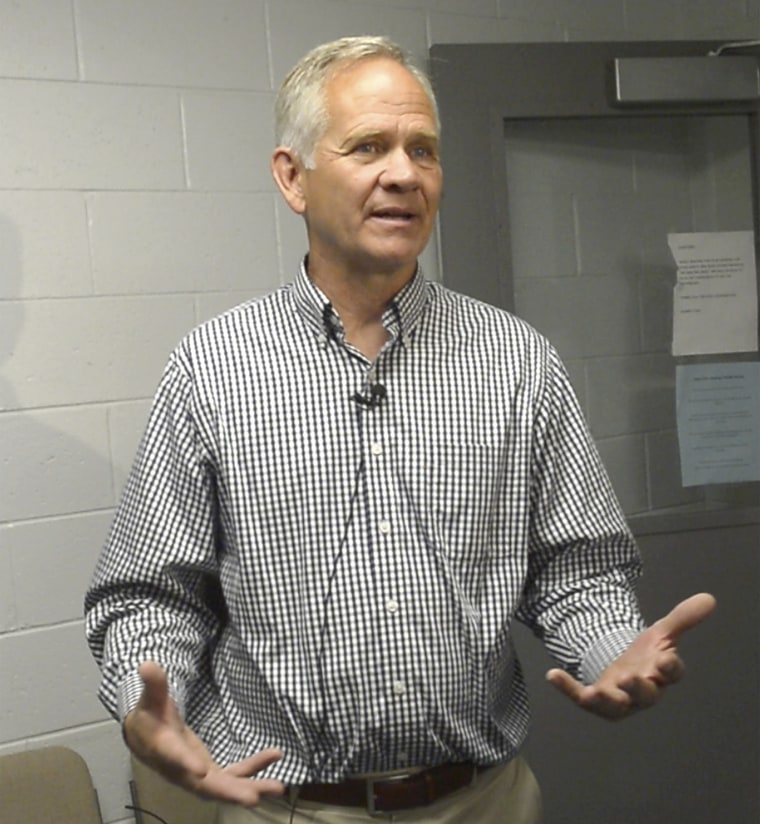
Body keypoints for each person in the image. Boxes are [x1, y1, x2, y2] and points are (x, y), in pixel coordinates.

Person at [85, 36, 716, 824]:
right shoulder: (213, 370)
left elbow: (574, 570)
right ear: (293, 177)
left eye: (424, 149)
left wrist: (609, 649)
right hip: (286, 808)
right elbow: (152, 596)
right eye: (369, 147)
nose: (404, 173)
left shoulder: (516, 361)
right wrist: (154, 705)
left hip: (481, 803)